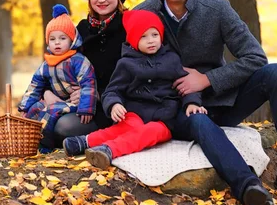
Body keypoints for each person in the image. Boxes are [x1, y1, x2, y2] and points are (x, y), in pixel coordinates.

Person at [134, 0, 277, 205]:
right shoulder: (143, 14)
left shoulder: (217, 9)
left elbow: (255, 57)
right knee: (197, 120)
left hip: (222, 101)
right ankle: (248, 186)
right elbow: (127, 64)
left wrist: (206, 79)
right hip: (177, 111)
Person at [62, 9, 206, 169]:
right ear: (132, 40)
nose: (150, 40)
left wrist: (192, 102)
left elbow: (187, 84)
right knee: (124, 127)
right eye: (143, 36)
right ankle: (84, 141)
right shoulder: (126, 63)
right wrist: (114, 104)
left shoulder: (171, 59)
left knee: (149, 132)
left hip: (163, 118)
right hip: (135, 112)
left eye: (154, 35)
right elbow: (112, 90)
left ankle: (108, 150)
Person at [45, 0, 129, 139]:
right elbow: (59, 62)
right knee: (41, 120)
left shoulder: (129, 25)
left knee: (62, 128)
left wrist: (96, 94)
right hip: (80, 104)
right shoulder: (81, 29)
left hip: (117, 105)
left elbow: (136, 71)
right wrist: (47, 92)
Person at [18, 4, 97, 153]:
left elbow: (88, 83)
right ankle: (26, 141)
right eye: (53, 39)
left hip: (74, 104)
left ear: (72, 40)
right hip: (57, 101)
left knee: (50, 111)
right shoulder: (47, 63)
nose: (57, 42)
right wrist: (25, 106)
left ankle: (45, 145)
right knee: (36, 108)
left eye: (62, 38)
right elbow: (35, 84)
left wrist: (86, 108)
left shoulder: (78, 60)